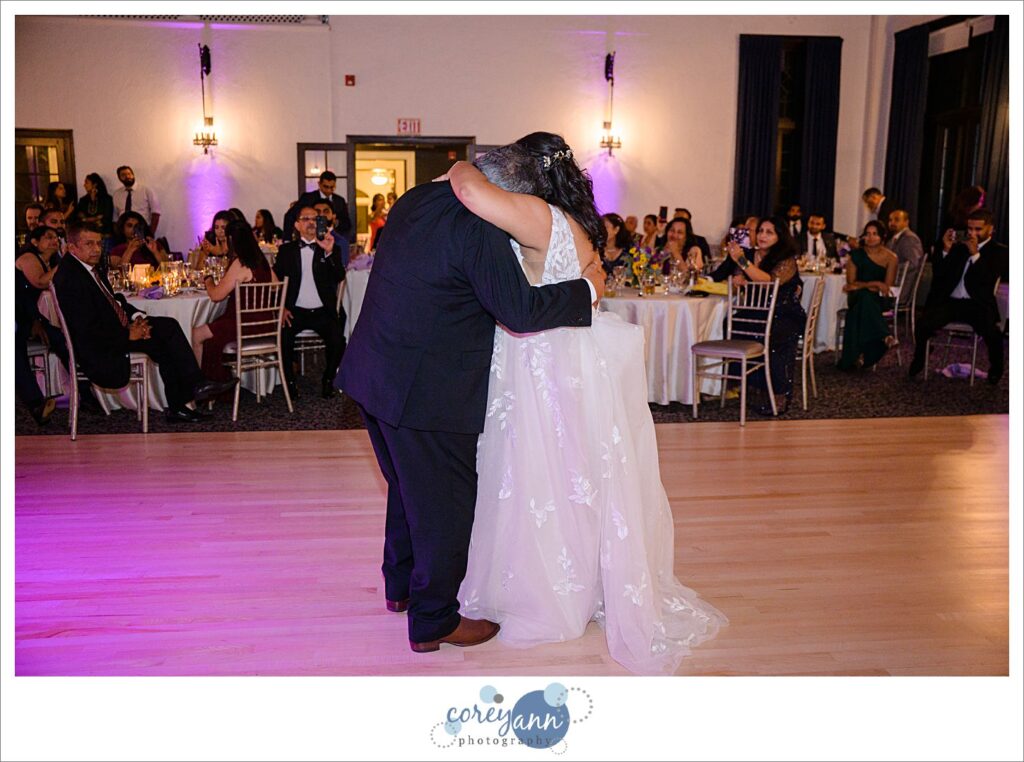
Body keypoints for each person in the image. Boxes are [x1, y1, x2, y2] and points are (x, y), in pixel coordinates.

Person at [447, 133, 726, 674]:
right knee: (569, 471)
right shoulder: (567, 217)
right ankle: (578, 575)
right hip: (559, 353)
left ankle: (549, 590)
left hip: (544, 358)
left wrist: (460, 163)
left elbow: (471, 193)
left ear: (526, 174)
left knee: (544, 470)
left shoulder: (534, 213)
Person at [336, 135, 604, 655]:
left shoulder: (417, 198)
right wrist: (588, 289)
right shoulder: (479, 228)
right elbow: (520, 312)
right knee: (446, 508)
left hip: (373, 370)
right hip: (426, 389)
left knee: (407, 490)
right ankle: (434, 620)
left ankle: (400, 589)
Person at [52, 223, 237, 423]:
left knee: (168, 330)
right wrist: (128, 334)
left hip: (116, 330)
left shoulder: (88, 268)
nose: (97, 249)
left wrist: (136, 319)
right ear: (72, 248)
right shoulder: (70, 278)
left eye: (99, 243)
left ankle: (184, 399)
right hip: (101, 346)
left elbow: (115, 301)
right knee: (167, 334)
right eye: (89, 244)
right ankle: (194, 387)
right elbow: (86, 329)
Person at [720, 217, 806, 414]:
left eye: (769, 232)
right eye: (760, 231)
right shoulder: (751, 254)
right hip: (759, 312)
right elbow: (746, 286)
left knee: (770, 335)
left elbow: (769, 282)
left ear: (779, 237)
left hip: (784, 313)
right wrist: (739, 280)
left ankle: (778, 392)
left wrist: (741, 262)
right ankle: (747, 384)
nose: (762, 236)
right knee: (732, 324)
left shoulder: (786, 258)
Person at [909, 209, 1005, 384]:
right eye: (970, 229)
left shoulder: (998, 251)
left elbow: (987, 279)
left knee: (993, 333)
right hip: (952, 303)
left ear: (990, 229)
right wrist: (945, 250)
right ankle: (920, 357)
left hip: (977, 304)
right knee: (923, 323)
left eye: (978, 229)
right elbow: (940, 274)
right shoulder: (960, 247)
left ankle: (996, 369)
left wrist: (976, 254)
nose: (972, 233)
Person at [273, 204, 346, 400]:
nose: (312, 223)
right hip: (295, 311)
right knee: (283, 338)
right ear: (297, 225)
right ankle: (289, 383)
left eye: (316, 219)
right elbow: (276, 282)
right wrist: (281, 308)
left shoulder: (330, 247)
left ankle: (328, 380)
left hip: (323, 310)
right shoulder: (286, 251)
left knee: (338, 340)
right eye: (306, 219)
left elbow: (339, 276)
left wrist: (329, 252)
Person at [192, 221, 279, 384]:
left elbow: (216, 296)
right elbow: (275, 285)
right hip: (265, 324)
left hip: (244, 325)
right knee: (213, 326)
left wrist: (208, 279)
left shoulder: (240, 263)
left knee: (197, 334)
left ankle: (200, 383)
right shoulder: (261, 260)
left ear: (232, 240)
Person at [838, 220, 899, 370]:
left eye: (875, 234)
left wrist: (872, 286)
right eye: (867, 234)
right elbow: (851, 283)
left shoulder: (891, 258)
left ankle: (855, 356)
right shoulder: (856, 255)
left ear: (882, 237)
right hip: (857, 296)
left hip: (879, 299)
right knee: (864, 297)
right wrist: (874, 284)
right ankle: (884, 336)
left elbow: (886, 288)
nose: (870, 237)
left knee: (862, 306)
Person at [282, 170, 352, 243]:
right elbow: (289, 216)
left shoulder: (339, 201)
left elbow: (346, 223)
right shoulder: (307, 198)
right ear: (319, 184)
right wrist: (287, 240)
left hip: (333, 240)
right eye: (326, 187)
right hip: (309, 238)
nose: (328, 190)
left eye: (332, 187)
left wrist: (335, 223)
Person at [112, 165, 161, 235]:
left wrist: (151, 233)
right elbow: (115, 218)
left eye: (129, 174)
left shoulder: (146, 190)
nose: (127, 176)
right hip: (123, 231)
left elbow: (156, 213)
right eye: (123, 175)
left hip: (142, 229)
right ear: (119, 178)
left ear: (133, 175)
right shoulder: (117, 194)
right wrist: (117, 234)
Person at [73, 173, 115, 252]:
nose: (84, 185)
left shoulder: (106, 199)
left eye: (86, 182)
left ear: (95, 184)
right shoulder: (83, 200)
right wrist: (95, 218)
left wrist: (86, 219)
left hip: (105, 235)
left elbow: (106, 218)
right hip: (88, 236)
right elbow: (78, 218)